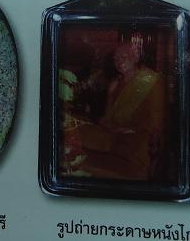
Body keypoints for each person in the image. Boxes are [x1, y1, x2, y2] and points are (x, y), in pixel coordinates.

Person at [62, 32, 165, 181]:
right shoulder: (115, 83)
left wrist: (129, 129)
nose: (118, 61)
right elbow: (107, 118)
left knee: (76, 148)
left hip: (135, 143)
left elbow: (157, 126)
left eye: (123, 57)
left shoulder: (151, 81)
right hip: (112, 136)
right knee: (72, 128)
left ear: (136, 57)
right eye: (116, 58)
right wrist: (110, 95)